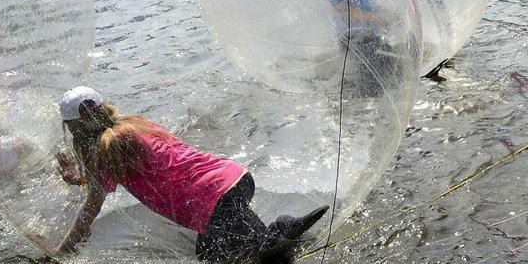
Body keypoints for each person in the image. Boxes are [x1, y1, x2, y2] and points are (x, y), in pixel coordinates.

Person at [29, 86, 328, 263]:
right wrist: (82, 178)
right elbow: (139, 168)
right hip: (234, 180)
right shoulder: (134, 123)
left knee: (231, 257)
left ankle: (281, 231)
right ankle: (275, 234)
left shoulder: (109, 150)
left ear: (74, 129)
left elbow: (91, 207)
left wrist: (62, 250)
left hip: (215, 202)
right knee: (213, 247)